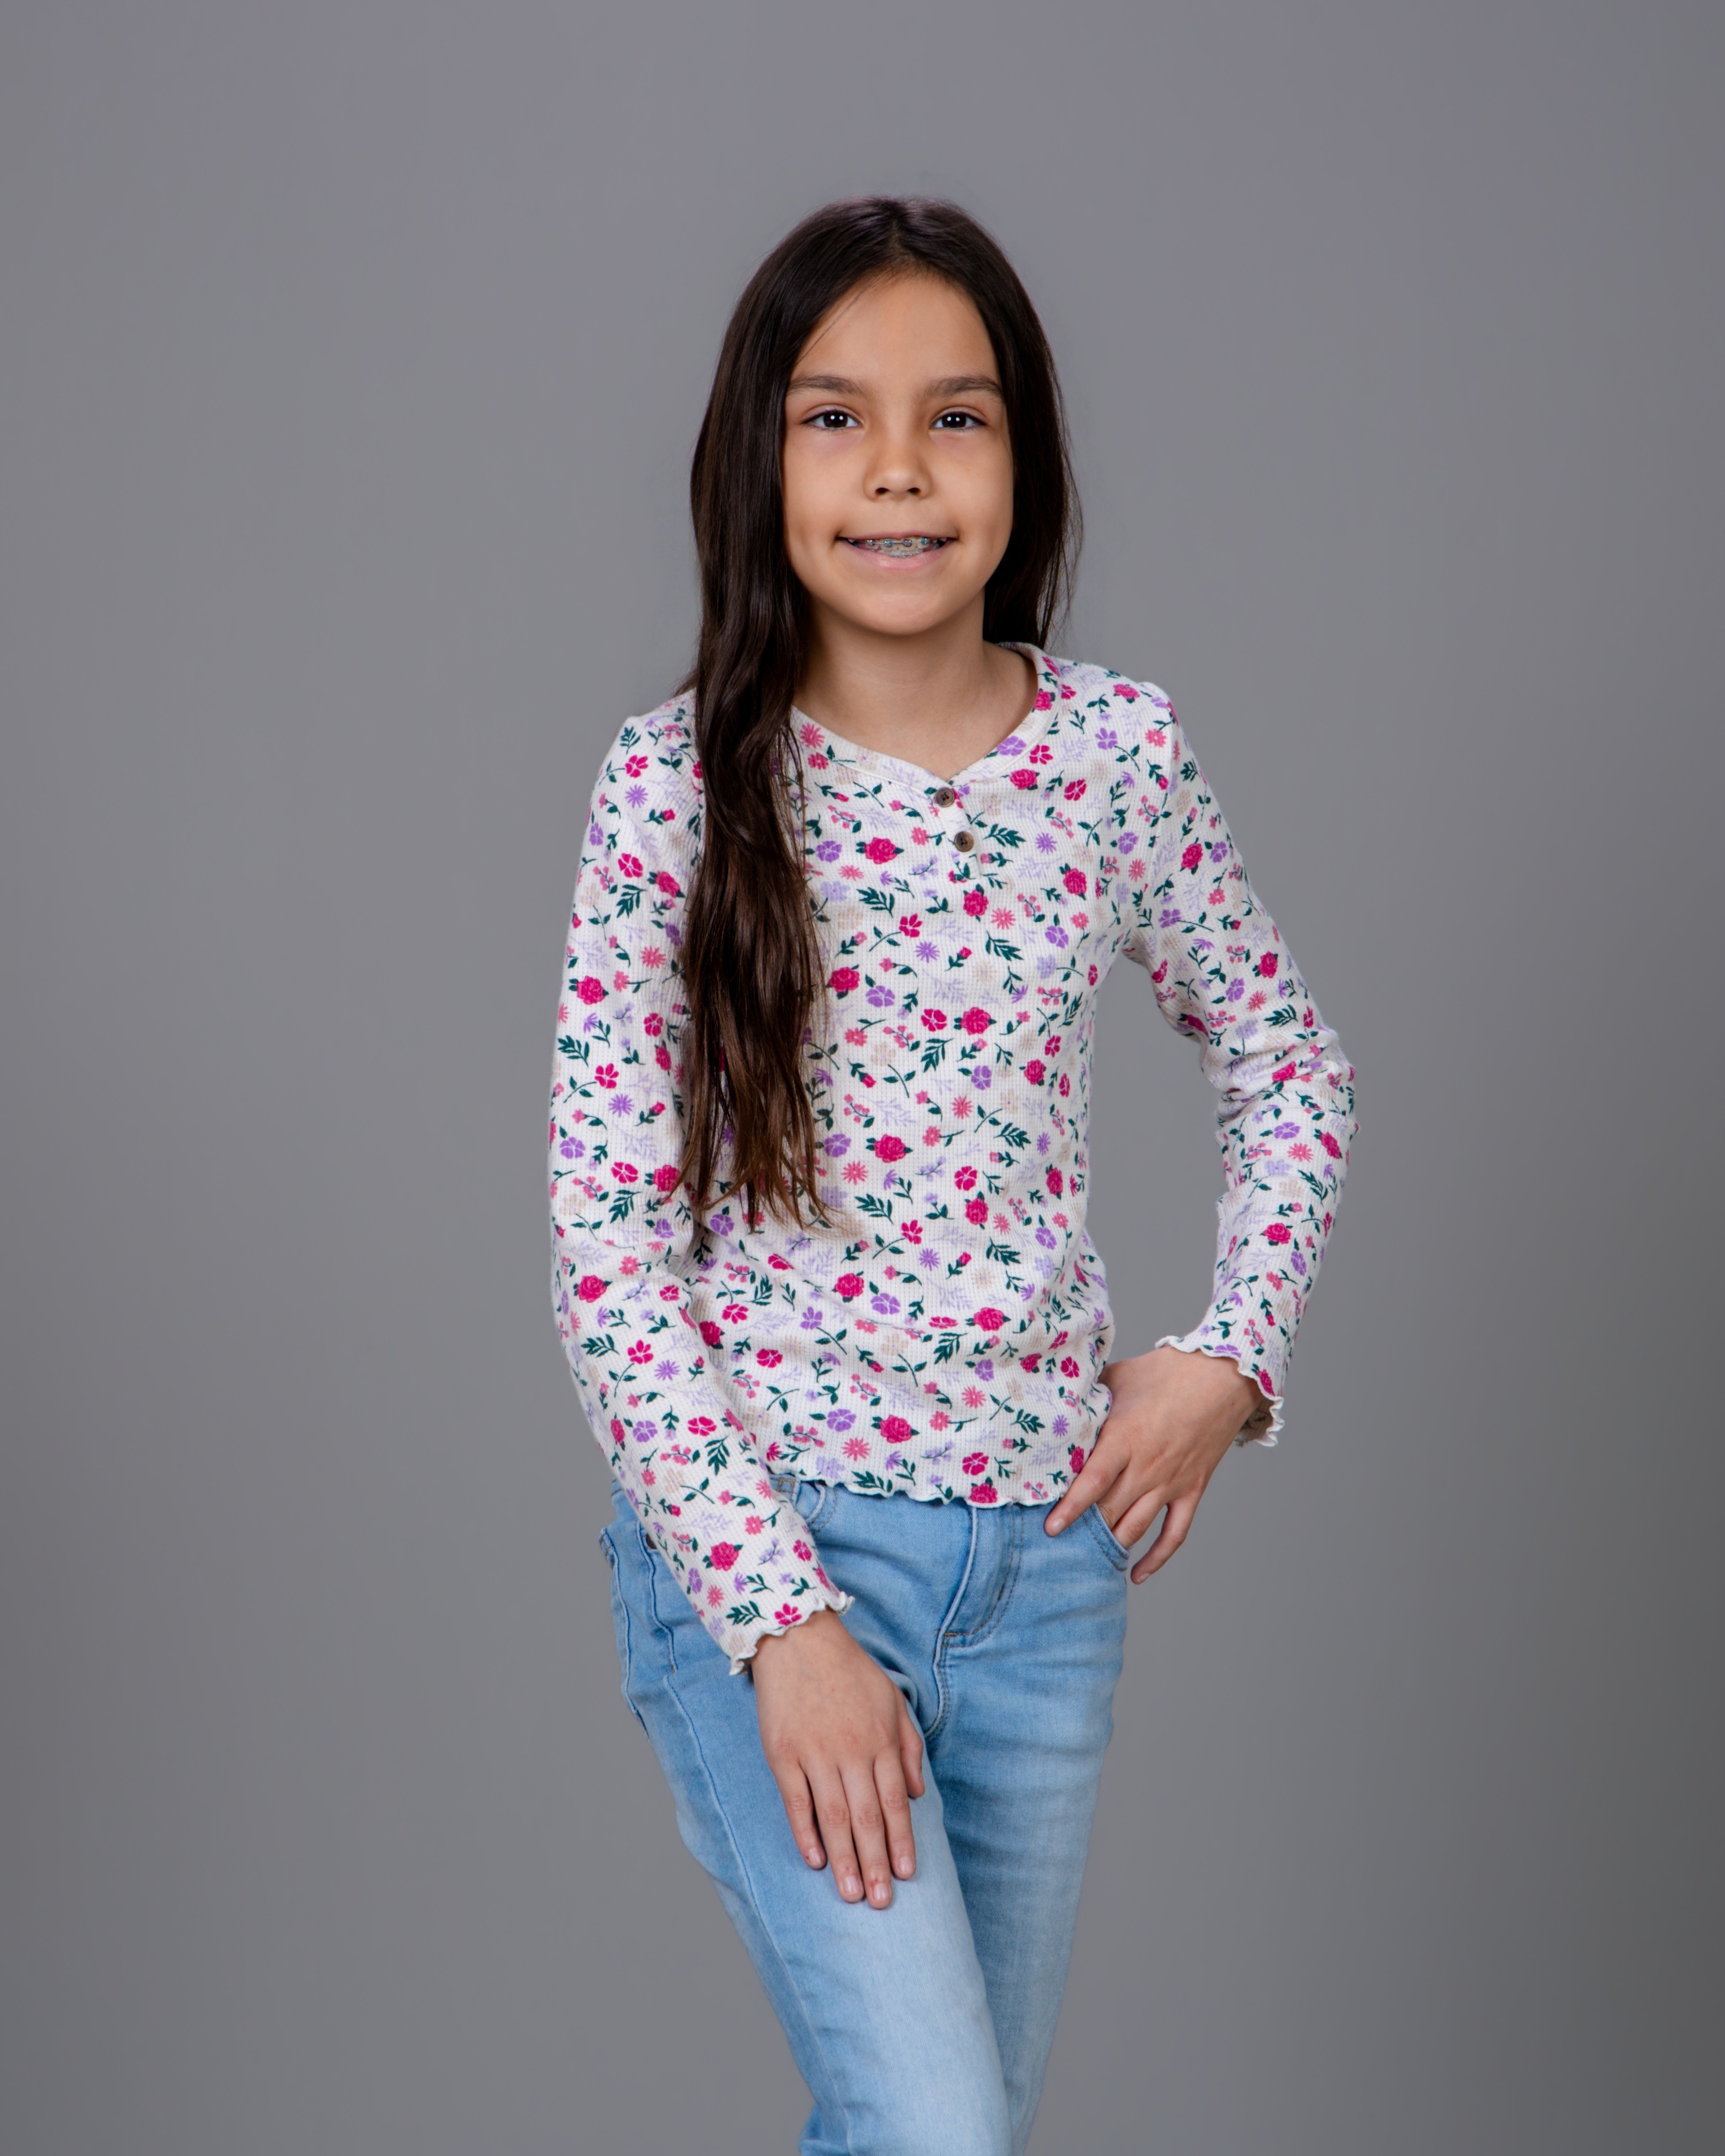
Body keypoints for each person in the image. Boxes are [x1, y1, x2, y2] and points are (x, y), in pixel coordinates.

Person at [548, 196, 1356, 2156]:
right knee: (938, 2134)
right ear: (760, 464)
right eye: (835, 418)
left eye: (957, 417)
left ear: (1024, 458)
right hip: (780, 1554)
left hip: (1047, 1579)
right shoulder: (679, 785)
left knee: (934, 2136)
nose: (899, 469)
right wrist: (783, 1624)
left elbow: (1290, 1060)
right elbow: (605, 1251)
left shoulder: (1117, 756)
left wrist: (1231, 1354)